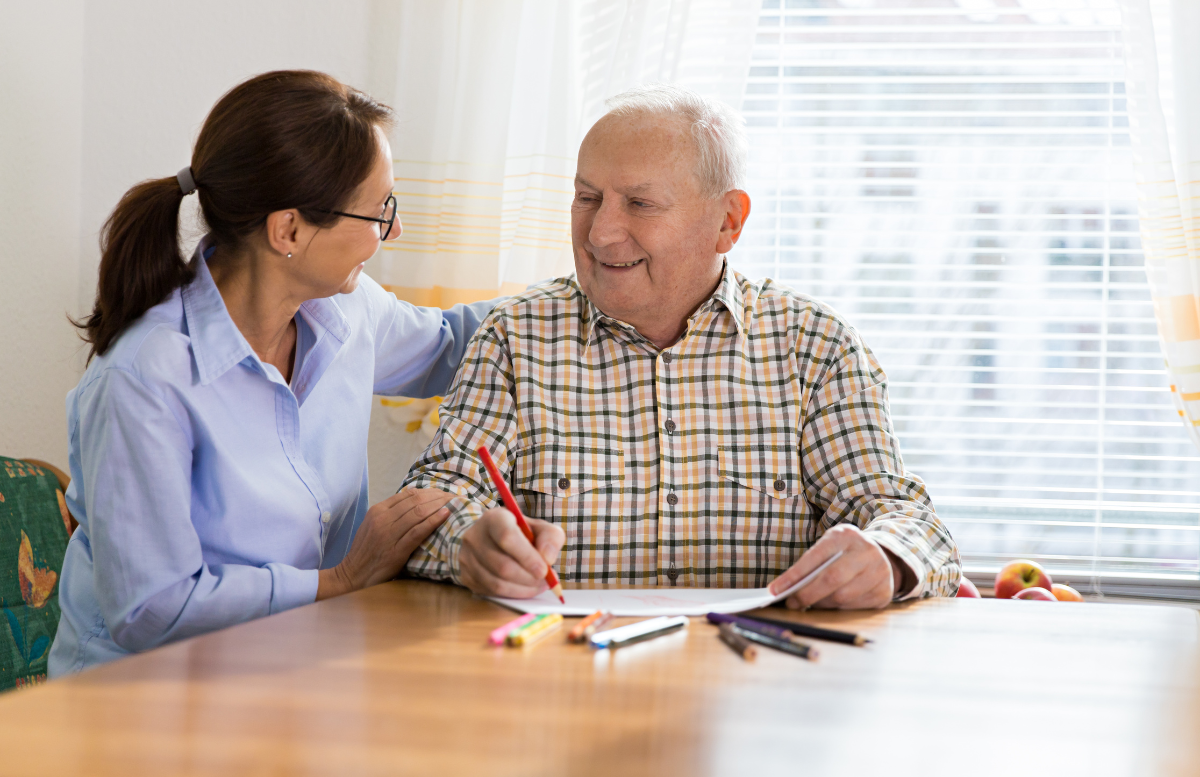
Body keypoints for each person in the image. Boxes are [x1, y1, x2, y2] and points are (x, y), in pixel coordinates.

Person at [402, 84, 961, 608]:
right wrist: (466, 543)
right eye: (587, 197)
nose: (600, 233)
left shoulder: (816, 347)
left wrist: (887, 559)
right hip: (561, 678)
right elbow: (426, 509)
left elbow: (905, 518)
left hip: (754, 684)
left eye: (640, 205)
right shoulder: (512, 337)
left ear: (727, 221)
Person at [50, 70, 486, 675]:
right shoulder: (145, 378)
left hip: (289, 673)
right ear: (289, 230)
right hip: (142, 700)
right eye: (378, 211)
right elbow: (153, 607)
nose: (393, 229)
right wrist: (342, 579)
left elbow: (455, 345)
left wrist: (584, 289)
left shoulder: (346, 309)